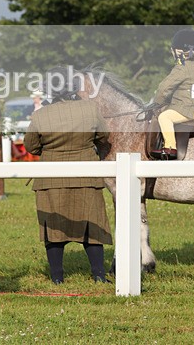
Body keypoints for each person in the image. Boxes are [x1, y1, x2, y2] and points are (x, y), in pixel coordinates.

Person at [23, 68, 112, 284]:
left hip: (51, 179)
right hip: (87, 176)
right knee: (92, 227)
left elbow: (31, 146)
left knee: (54, 231)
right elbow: (104, 135)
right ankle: (99, 275)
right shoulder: (90, 109)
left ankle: (57, 278)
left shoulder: (40, 115)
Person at [151, 29, 194, 160]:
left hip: (187, 108)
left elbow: (164, 88)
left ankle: (170, 148)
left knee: (164, 117)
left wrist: (157, 103)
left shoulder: (182, 67)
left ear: (179, 51)